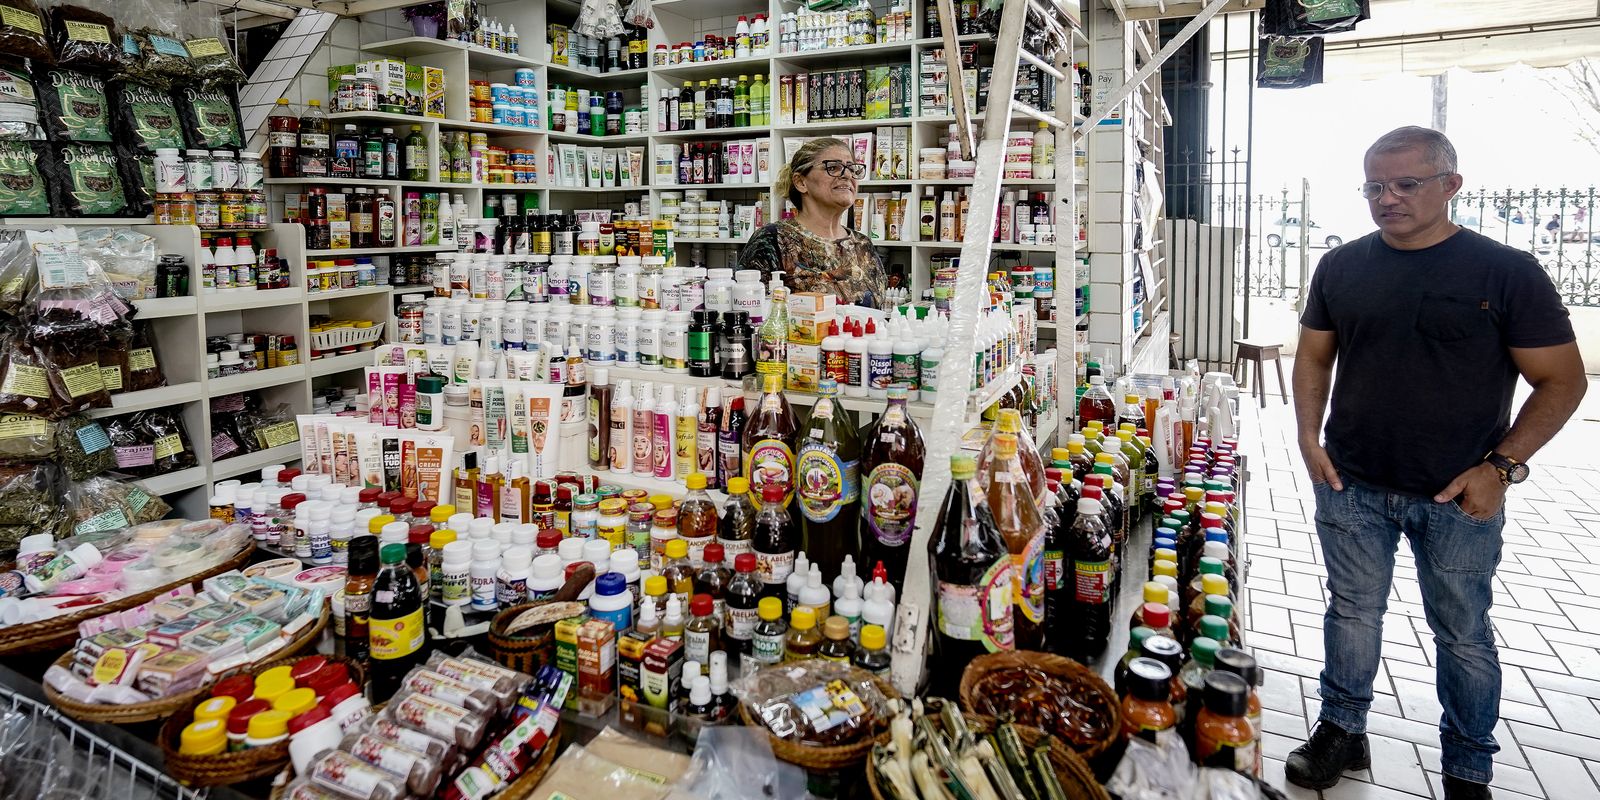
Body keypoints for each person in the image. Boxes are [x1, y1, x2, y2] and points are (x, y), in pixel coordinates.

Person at [1290, 126, 1586, 800]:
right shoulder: (1342, 267)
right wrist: (1310, 438)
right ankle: (1341, 728)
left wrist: (1501, 469)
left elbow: (1564, 381)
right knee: (1352, 614)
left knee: (1462, 635)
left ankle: (1468, 768)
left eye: (1405, 184)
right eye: (1374, 186)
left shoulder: (1505, 272)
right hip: (1352, 483)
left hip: (1459, 496)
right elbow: (1313, 356)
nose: (1386, 198)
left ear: (1451, 185)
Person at [737, 137, 888, 308]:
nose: (847, 175)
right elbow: (749, 315)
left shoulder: (862, 244)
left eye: (852, 169)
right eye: (833, 168)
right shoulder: (772, 240)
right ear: (801, 182)